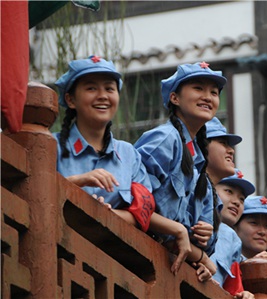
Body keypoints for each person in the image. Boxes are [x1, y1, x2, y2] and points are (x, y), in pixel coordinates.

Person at [53, 55, 191, 276]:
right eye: (91, 88)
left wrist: (109, 215)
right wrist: (79, 183)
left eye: (109, 89)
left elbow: (142, 212)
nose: (102, 96)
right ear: (70, 100)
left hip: (109, 270)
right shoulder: (51, 146)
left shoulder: (128, 155)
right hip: (58, 259)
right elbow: (34, 188)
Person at [134, 61, 226, 276]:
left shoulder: (200, 164)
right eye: (198, 88)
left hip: (165, 266)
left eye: (213, 92)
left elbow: (204, 244)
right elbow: (134, 201)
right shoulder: (165, 139)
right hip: (140, 254)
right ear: (175, 98)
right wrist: (177, 231)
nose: (207, 96)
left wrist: (202, 237)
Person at [210, 170, 256, 299]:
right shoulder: (193, 217)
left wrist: (243, 295)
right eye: (229, 192)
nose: (237, 202)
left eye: (242, 199)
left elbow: (232, 289)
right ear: (210, 188)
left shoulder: (233, 240)